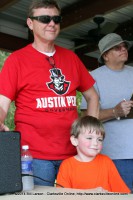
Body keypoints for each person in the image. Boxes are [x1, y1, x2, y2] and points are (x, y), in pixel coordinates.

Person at [0, 0, 99, 186]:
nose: (51, 23)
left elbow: (92, 96)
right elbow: (2, 103)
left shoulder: (71, 58)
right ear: (30, 23)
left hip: (73, 154)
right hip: (34, 156)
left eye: (56, 19)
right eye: (45, 19)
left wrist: (89, 133)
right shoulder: (16, 60)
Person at [80, 33, 133, 190]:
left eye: (125, 46)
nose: (123, 49)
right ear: (105, 56)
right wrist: (114, 112)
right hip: (115, 155)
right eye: (117, 47)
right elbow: (85, 118)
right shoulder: (93, 78)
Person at [56, 116, 130, 193]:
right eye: (89, 138)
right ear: (75, 140)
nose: (95, 143)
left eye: (99, 139)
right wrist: (90, 193)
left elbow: (123, 194)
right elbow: (63, 196)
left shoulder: (106, 162)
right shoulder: (66, 165)